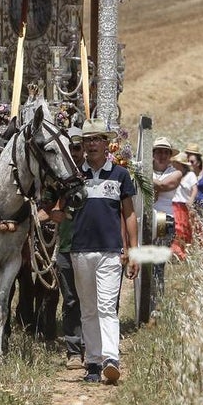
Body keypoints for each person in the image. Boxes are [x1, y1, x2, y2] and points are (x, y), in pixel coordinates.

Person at [70, 119, 139, 385]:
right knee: (88, 309)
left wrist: (132, 250)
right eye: (87, 140)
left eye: (97, 139)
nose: (91, 144)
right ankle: (94, 363)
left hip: (110, 251)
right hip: (80, 251)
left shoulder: (120, 175)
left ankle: (111, 358)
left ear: (106, 143)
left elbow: (129, 214)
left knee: (107, 307)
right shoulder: (76, 175)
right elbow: (62, 209)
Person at [41, 126, 86, 369]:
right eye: (70, 149)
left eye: (77, 148)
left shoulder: (94, 175)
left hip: (93, 246)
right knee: (70, 300)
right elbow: (43, 206)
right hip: (68, 246)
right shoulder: (57, 179)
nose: (75, 153)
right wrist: (52, 213)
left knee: (92, 299)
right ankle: (73, 350)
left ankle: (92, 346)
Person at [149, 137, 184, 303]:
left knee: (157, 262)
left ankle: (156, 303)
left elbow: (164, 186)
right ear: (153, 154)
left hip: (164, 218)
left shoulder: (175, 173)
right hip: (145, 218)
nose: (162, 155)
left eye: (165, 152)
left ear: (170, 155)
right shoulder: (147, 170)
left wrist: (142, 176)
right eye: (159, 151)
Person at [184, 143, 203, 245]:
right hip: (190, 204)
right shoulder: (186, 175)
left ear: (198, 161)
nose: (189, 163)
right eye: (188, 160)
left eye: (192, 161)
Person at [170, 152, 196, 260]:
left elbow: (194, 189)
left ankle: (182, 252)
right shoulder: (173, 174)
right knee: (176, 228)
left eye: (177, 163)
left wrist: (191, 199)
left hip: (183, 205)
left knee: (184, 228)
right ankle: (175, 252)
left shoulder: (190, 175)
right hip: (173, 204)